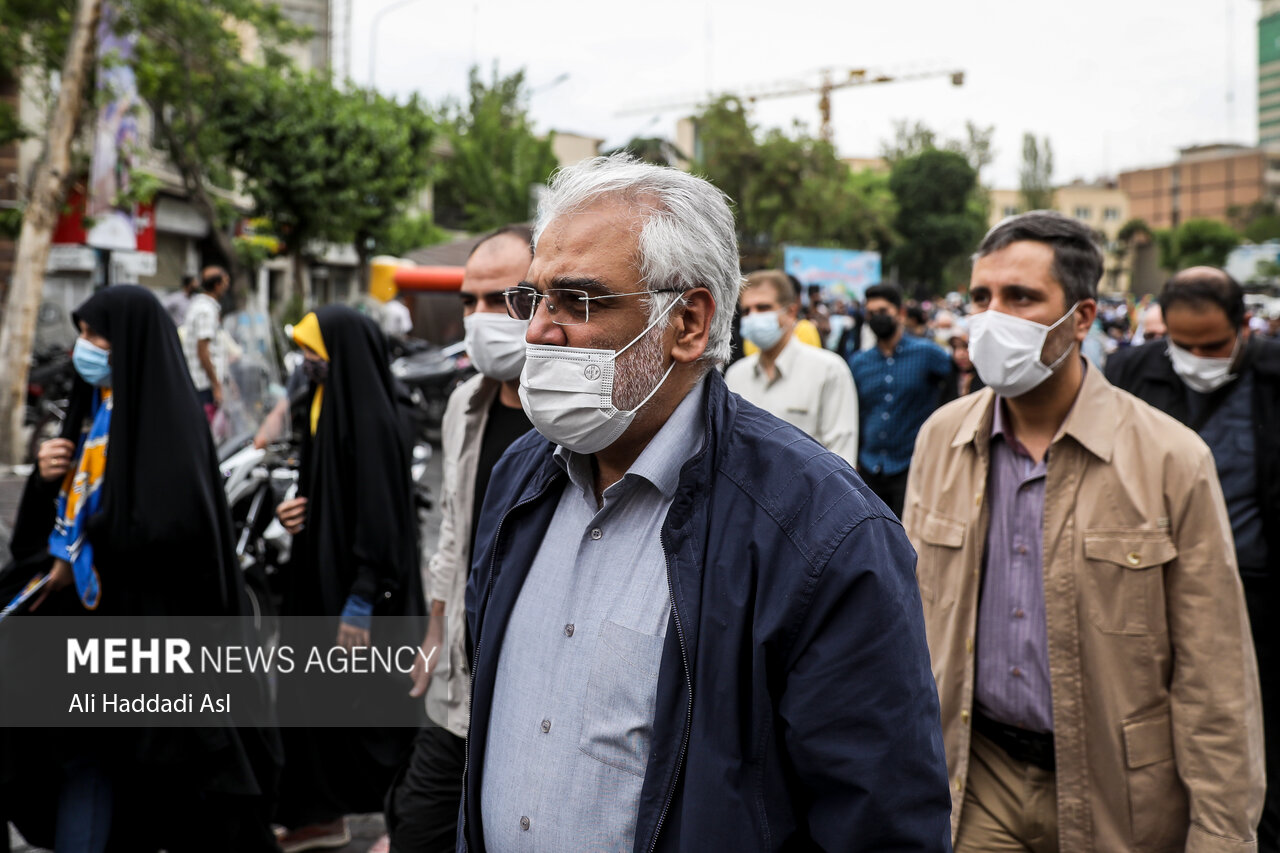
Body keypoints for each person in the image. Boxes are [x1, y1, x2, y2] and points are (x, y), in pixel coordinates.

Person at [460, 154, 950, 851]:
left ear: (687, 321)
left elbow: (881, 822)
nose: (538, 331)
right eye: (532, 299)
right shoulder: (519, 478)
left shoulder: (823, 534)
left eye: (579, 301)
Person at [904, 212, 1263, 852]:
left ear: (1081, 318)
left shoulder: (1170, 459)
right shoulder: (942, 438)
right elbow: (911, 624)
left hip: (1117, 794)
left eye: (1021, 298)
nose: (992, 319)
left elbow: (1215, 677)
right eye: (982, 297)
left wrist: (1220, 835)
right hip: (974, 777)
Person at [1, 285, 280, 851]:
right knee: (87, 761)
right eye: (81, 335)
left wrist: (82, 552)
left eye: (96, 337)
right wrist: (46, 479)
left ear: (129, 343)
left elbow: (172, 536)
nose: (86, 349)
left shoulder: (166, 429)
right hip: (85, 636)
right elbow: (47, 528)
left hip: (148, 641)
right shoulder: (94, 413)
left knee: (132, 775)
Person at [1106, 266, 1280, 852]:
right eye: (1183, 346)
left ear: (1243, 329)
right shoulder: (1132, 373)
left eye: (1212, 346)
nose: (1197, 359)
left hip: (1256, 592)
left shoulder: (1271, 378)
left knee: (1249, 732)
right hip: (1147, 579)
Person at [381, 225, 535, 853]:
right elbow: (454, 530)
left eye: (501, 300)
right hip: (460, 679)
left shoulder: (583, 422)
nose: (480, 319)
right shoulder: (465, 404)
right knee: (418, 825)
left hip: (535, 692)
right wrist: (436, 626)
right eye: (471, 301)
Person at [272, 305, 425, 852]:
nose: (307, 361)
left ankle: (400, 824)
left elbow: (382, 517)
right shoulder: (322, 405)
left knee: (374, 710)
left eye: (315, 351)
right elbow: (324, 490)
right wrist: (297, 509)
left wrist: (362, 598)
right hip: (319, 577)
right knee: (311, 701)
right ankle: (319, 815)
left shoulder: (375, 419)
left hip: (359, 592)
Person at [724, 269, 859, 463]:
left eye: (763, 308)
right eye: (746, 311)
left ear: (791, 311)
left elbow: (841, 460)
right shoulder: (736, 375)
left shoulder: (829, 371)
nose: (753, 318)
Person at [847, 283, 952, 517]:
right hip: (868, 468)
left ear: (901, 313)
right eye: (871, 313)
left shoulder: (927, 353)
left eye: (883, 311)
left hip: (912, 465)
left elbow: (957, 382)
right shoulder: (859, 362)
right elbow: (854, 412)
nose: (877, 318)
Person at [182, 265, 230, 420]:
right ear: (217, 285)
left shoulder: (200, 305)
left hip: (199, 383)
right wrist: (216, 385)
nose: (227, 286)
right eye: (225, 281)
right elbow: (202, 350)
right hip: (202, 384)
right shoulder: (206, 310)